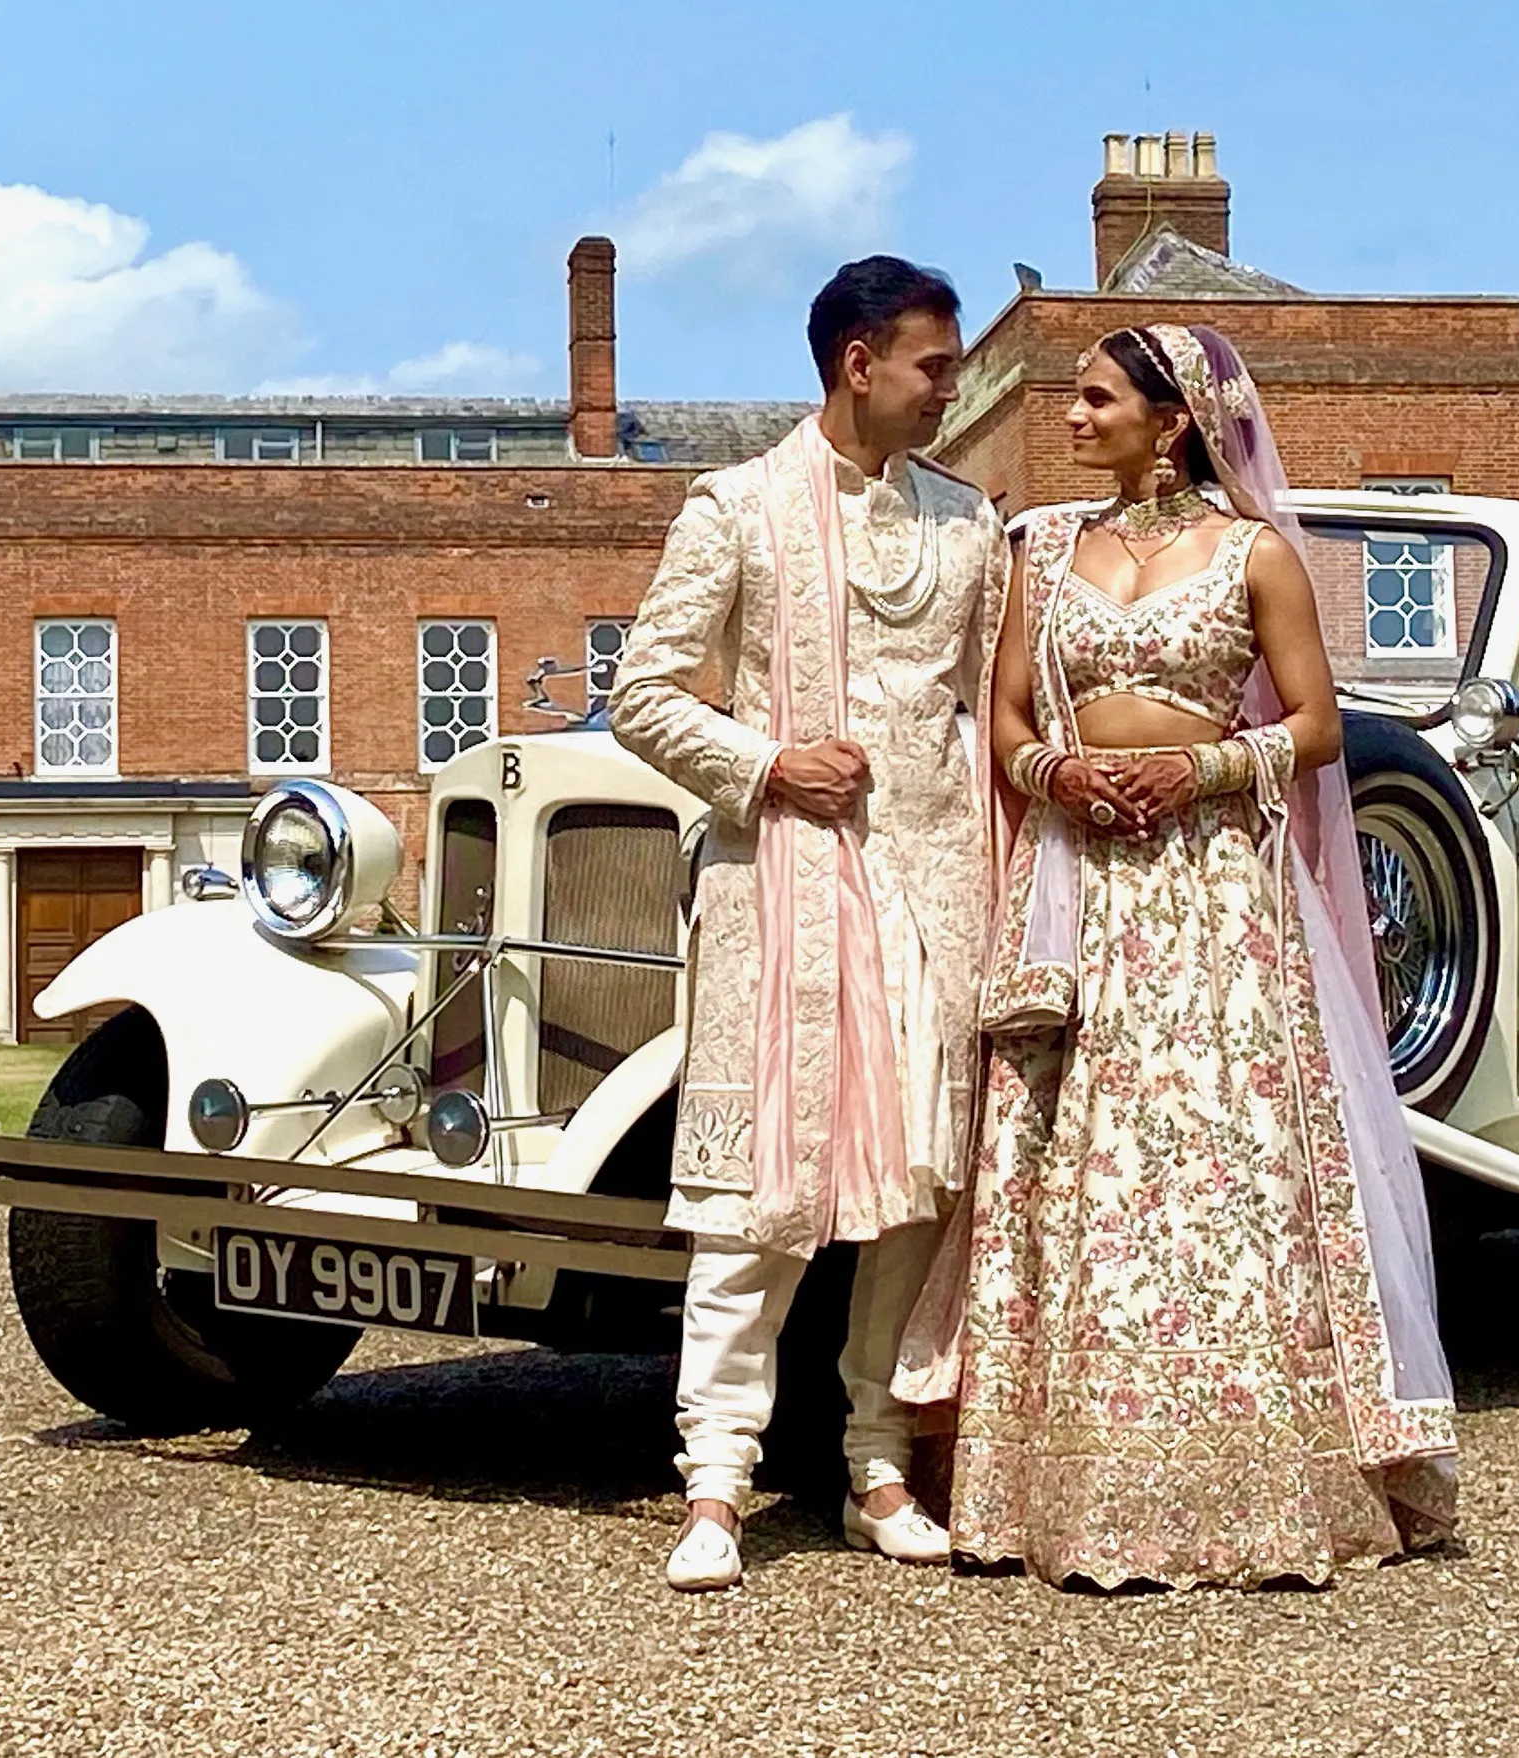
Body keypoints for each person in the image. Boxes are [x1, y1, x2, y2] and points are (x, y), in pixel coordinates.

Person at [896, 321, 1460, 1589]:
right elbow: (1006, 716)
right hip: (1080, 882)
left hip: (1212, 893)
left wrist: (1198, 768)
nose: (1075, 419)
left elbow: (1315, 726)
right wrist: (1067, 775)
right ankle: (1061, 1481)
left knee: (1218, 1153)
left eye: (1098, 400)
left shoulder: (1257, 553)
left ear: (1173, 419)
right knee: (1078, 1151)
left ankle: (1260, 1473)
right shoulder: (1043, 545)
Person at [607, 256, 1006, 1593]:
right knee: (756, 1196)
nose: (952, 385)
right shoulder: (735, 508)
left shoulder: (968, 523)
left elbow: (997, 708)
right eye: (934, 364)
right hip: (783, 876)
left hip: (937, 883)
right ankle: (715, 1479)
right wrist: (769, 762)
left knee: (917, 1186)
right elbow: (643, 695)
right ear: (857, 362)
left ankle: (876, 1457)